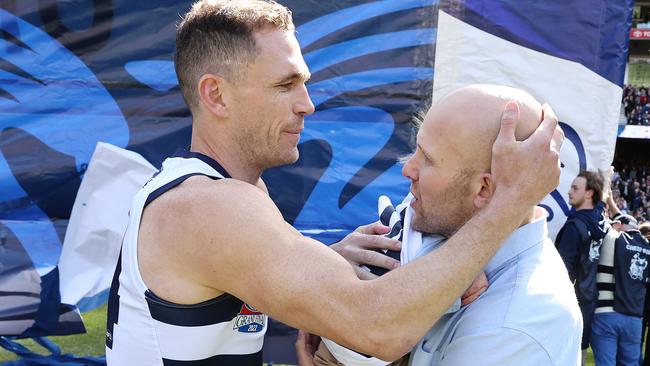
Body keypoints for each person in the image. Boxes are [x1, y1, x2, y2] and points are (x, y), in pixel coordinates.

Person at [104, 1, 564, 365]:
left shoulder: (228, 195)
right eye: (286, 85)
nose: (307, 104)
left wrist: (325, 263)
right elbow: (379, 329)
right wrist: (510, 202)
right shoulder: (207, 207)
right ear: (216, 95)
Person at [303, 85, 582, 366]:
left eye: (428, 159)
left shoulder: (515, 324)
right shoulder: (441, 225)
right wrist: (337, 270)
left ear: (483, 189)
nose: (408, 169)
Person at [555, 170, 609, 364]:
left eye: (575, 188)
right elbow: (600, 207)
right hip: (589, 300)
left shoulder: (574, 227)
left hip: (569, 301)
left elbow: (562, 272)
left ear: (589, 194)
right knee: (580, 353)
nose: (570, 192)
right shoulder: (601, 222)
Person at [593, 214, 650, 366]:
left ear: (619, 224)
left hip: (606, 313)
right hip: (634, 318)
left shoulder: (612, 238)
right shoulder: (647, 246)